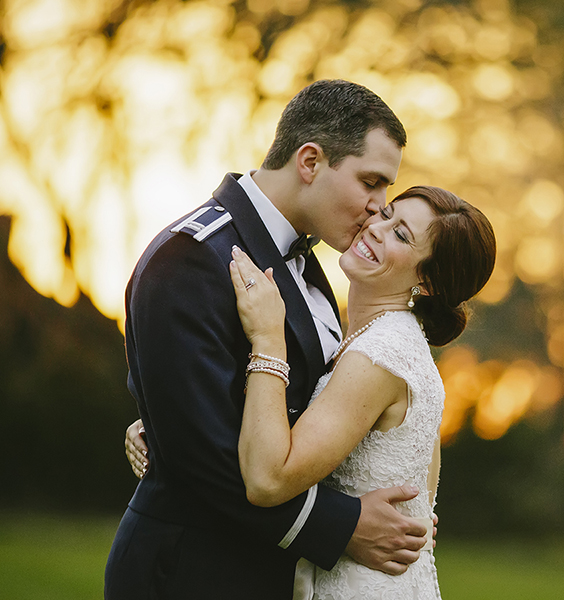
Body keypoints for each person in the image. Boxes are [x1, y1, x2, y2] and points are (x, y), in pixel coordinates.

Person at [106, 80, 427, 600]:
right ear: (309, 161)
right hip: (192, 573)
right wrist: (343, 524)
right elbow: (204, 457)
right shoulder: (193, 257)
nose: (378, 207)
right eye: (371, 182)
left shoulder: (306, 260)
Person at [127, 186, 497, 598]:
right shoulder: (390, 343)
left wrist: (269, 339)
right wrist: (172, 416)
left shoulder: (382, 354)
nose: (376, 228)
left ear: (427, 282)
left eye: (401, 235)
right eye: (387, 213)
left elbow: (268, 479)